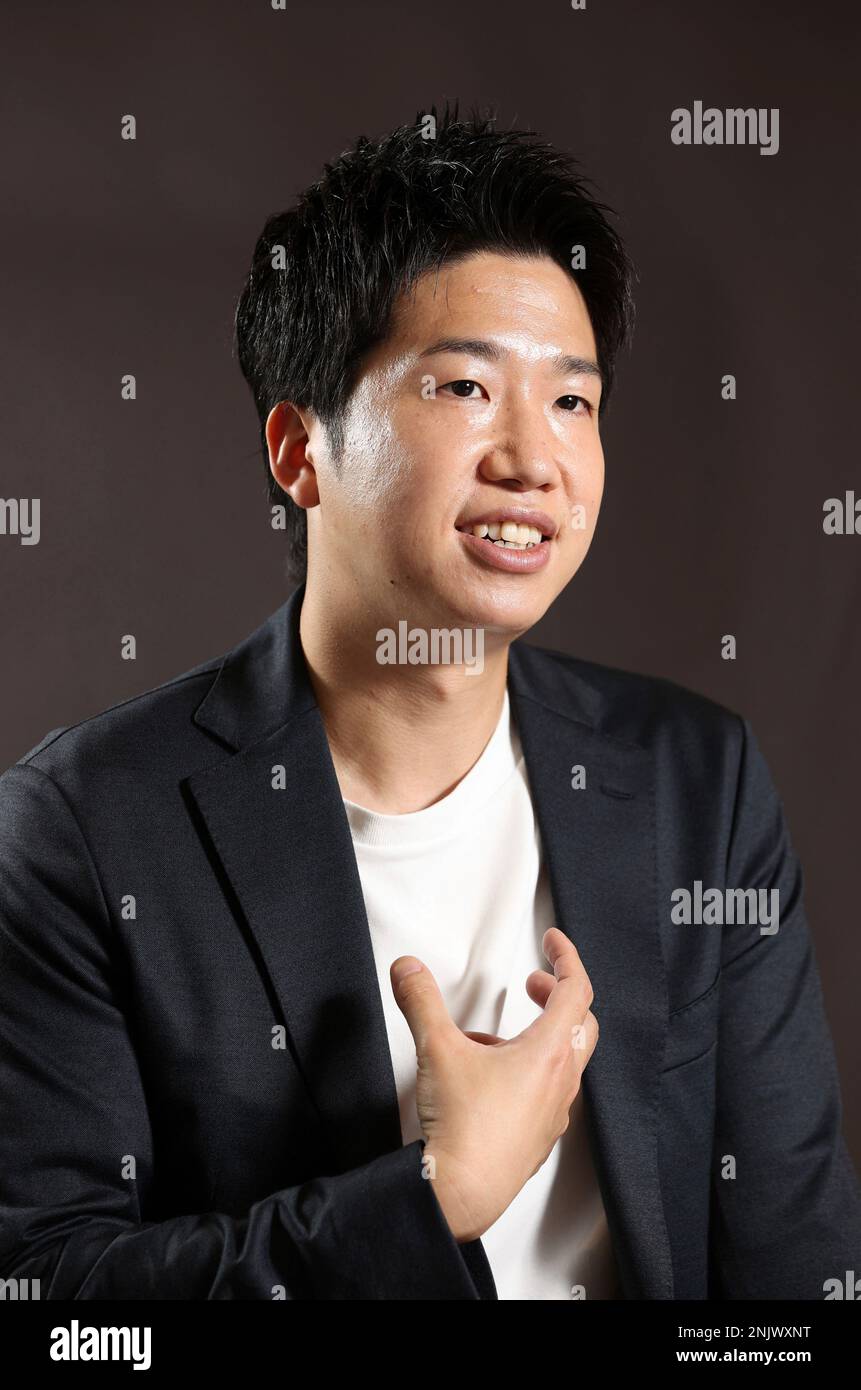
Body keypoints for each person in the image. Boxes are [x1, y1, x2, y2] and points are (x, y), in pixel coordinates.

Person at [1, 105, 858, 1301]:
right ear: (300, 452)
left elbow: (793, 1275)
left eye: (573, 402)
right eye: (463, 387)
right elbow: (54, 1310)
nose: (534, 459)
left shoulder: (694, 781)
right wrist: (430, 1198)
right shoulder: (80, 829)